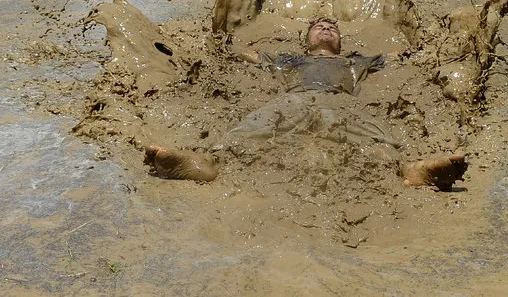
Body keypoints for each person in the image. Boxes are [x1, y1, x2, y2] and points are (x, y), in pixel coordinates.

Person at [144, 18, 467, 190]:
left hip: (341, 103)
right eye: (319, 27)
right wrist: (218, 35)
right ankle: (206, 165)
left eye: (332, 27)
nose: (326, 28)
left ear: (340, 40)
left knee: (374, 136)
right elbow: (242, 53)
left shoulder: (358, 61)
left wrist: (441, 38)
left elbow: (413, 55)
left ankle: (409, 170)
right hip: (291, 99)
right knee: (251, 128)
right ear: (307, 39)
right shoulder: (287, 60)